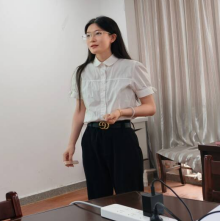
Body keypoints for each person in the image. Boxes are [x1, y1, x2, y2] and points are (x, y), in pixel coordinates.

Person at [63, 16, 157, 200]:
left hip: (122, 137)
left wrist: (121, 112)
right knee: (98, 197)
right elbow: (80, 111)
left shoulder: (132, 68)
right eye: (88, 35)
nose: (92, 39)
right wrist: (71, 144)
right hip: (92, 138)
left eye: (98, 33)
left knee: (130, 195)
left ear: (113, 37)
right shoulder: (81, 72)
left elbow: (150, 107)